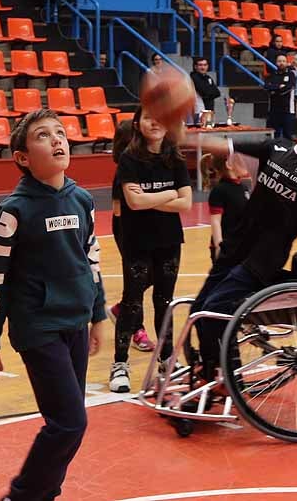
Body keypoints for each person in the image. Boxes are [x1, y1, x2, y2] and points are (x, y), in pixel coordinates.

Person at [0, 110, 107, 501]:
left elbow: (92, 259)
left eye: (61, 133)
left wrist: (98, 315)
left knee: (70, 423)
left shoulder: (82, 200)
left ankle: (42, 493)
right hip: (37, 328)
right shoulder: (13, 212)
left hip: (76, 324)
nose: (57, 141)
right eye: (43, 136)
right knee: (68, 423)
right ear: (22, 157)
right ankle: (22, 496)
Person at [181, 104, 297, 380]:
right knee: (199, 312)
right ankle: (217, 372)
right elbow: (223, 145)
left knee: (213, 312)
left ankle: (222, 376)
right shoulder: (276, 148)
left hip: (262, 259)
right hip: (234, 248)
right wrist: (183, 137)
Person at [109, 106, 192, 392]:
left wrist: (152, 197)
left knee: (164, 303)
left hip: (169, 241)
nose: (154, 122)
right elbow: (134, 203)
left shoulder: (176, 159)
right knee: (132, 302)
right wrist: (170, 194)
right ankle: (120, 364)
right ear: (137, 123)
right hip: (137, 242)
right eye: (147, 117)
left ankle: (167, 360)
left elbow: (187, 203)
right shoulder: (129, 160)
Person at [106, 120, 154, 353]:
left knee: (150, 275)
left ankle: (120, 309)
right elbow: (117, 209)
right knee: (135, 278)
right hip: (127, 228)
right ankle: (137, 330)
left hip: (144, 226)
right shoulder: (123, 172)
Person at [203, 153, 250, 264]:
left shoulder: (243, 187)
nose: (245, 163)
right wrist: (220, 247)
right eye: (241, 161)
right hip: (227, 247)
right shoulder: (219, 190)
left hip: (241, 245)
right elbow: (215, 222)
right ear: (229, 164)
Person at [265, 53, 297, 139]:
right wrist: (279, 87)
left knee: (287, 136)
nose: (281, 63)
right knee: (274, 136)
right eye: (279, 61)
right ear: (276, 63)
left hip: (287, 110)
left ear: (287, 63)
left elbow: (288, 88)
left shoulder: (291, 74)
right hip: (274, 110)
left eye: (283, 61)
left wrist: (275, 89)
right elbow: (267, 87)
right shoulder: (272, 75)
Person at [190, 57, 222, 122]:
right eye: (200, 65)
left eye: (205, 65)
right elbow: (204, 92)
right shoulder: (194, 77)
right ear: (195, 67)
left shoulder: (208, 78)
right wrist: (209, 92)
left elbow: (217, 93)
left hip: (209, 110)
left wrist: (208, 93)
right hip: (199, 111)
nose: (203, 67)